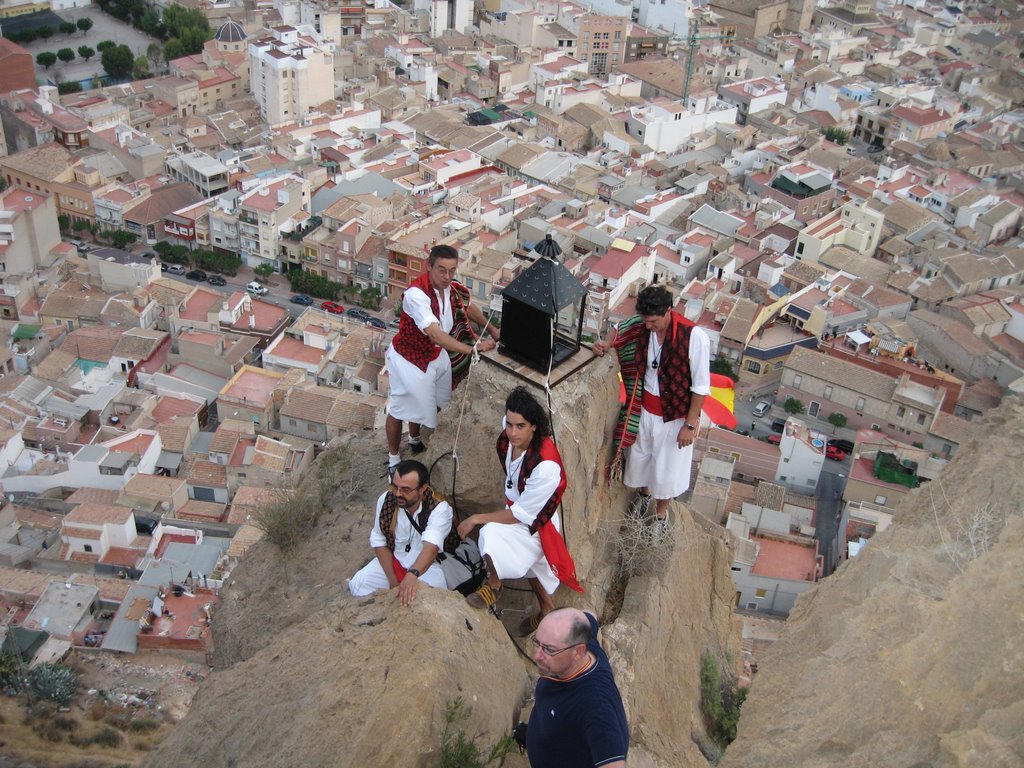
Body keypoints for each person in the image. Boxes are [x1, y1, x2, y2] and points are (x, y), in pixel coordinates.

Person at [456, 387, 581, 629]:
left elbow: (521, 515)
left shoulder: (546, 466)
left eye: (520, 426)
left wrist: (476, 518)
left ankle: (494, 585)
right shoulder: (513, 428)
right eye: (509, 424)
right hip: (518, 508)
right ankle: (547, 609)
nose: (512, 432)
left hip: (535, 522)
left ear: (534, 426)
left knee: (489, 534)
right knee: (531, 566)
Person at [594, 285, 711, 538]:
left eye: (654, 321)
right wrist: (605, 345)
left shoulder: (694, 337)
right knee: (642, 458)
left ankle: (660, 515)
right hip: (644, 409)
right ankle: (645, 496)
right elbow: (619, 331)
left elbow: (701, 387)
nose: (648, 326)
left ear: (669, 311)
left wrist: (689, 425)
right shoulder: (642, 326)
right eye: (645, 321)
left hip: (675, 417)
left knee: (667, 468)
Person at [385, 244, 499, 473]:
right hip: (409, 358)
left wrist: (494, 331)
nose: (447, 276)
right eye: (441, 270)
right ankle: (393, 459)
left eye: (452, 270)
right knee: (399, 408)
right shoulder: (416, 295)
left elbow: (467, 307)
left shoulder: (451, 288)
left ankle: (415, 438)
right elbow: (435, 334)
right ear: (429, 266)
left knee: (437, 400)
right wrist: (473, 349)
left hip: (436, 356)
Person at [525, 608, 629, 768]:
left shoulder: (595, 707)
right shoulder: (585, 643)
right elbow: (590, 616)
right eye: (537, 643)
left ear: (578, 652)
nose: (536, 656)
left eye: (549, 649)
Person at [348, 460, 452, 607]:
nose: (398, 494)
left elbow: (431, 547)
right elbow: (379, 540)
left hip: (427, 568)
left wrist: (412, 575)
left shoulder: (439, 508)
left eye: (406, 490)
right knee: (358, 583)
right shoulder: (387, 499)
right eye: (395, 486)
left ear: (422, 489)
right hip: (395, 560)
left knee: (424, 598)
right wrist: (392, 580)